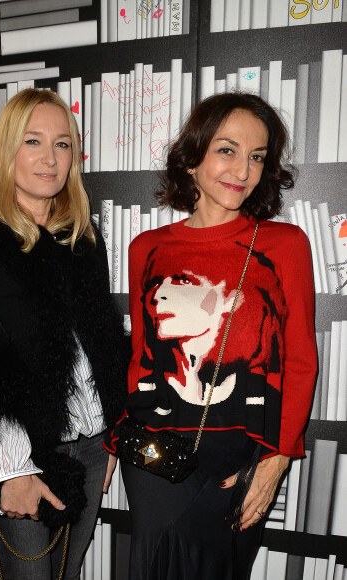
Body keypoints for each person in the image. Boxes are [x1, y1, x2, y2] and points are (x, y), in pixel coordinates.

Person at [105, 92, 317, 579]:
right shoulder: (147, 247)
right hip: (155, 452)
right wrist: (115, 442)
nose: (243, 170)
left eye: (257, 157)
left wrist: (278, 458)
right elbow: (142, 358)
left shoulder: (284, 244)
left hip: (241, 457)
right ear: (192, 158)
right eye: (227, 150)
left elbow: (301, 359)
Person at [0, 88, 128, 579]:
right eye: (33, 141)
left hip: (91, 444)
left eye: (62, 144)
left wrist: (112, 434)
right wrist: (13, 469)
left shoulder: (81, 235)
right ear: (7, 151)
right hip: (23, 452)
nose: (49, 158)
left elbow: (102, 343)